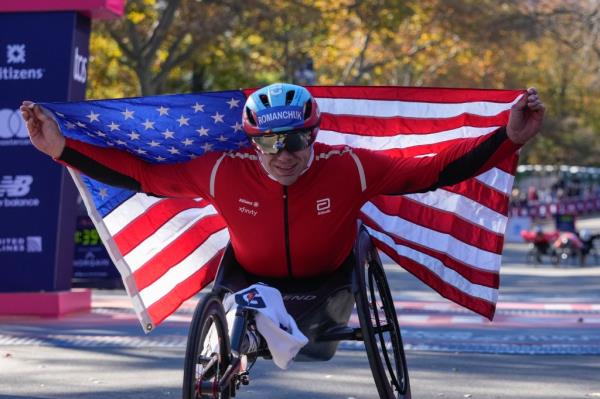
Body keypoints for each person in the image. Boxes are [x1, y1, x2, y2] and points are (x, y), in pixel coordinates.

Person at [20, 83, 545, 280]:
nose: (284, 155)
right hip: (251, 281)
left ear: (314, 134)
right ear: (252, 141)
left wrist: (509, 138)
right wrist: (63, 149)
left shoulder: (351, 167)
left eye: (296, 140)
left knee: (319, 343)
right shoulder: (222, 171)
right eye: (270, 142)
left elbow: (436, 168)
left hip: (332, 281)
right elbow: (142, 175)